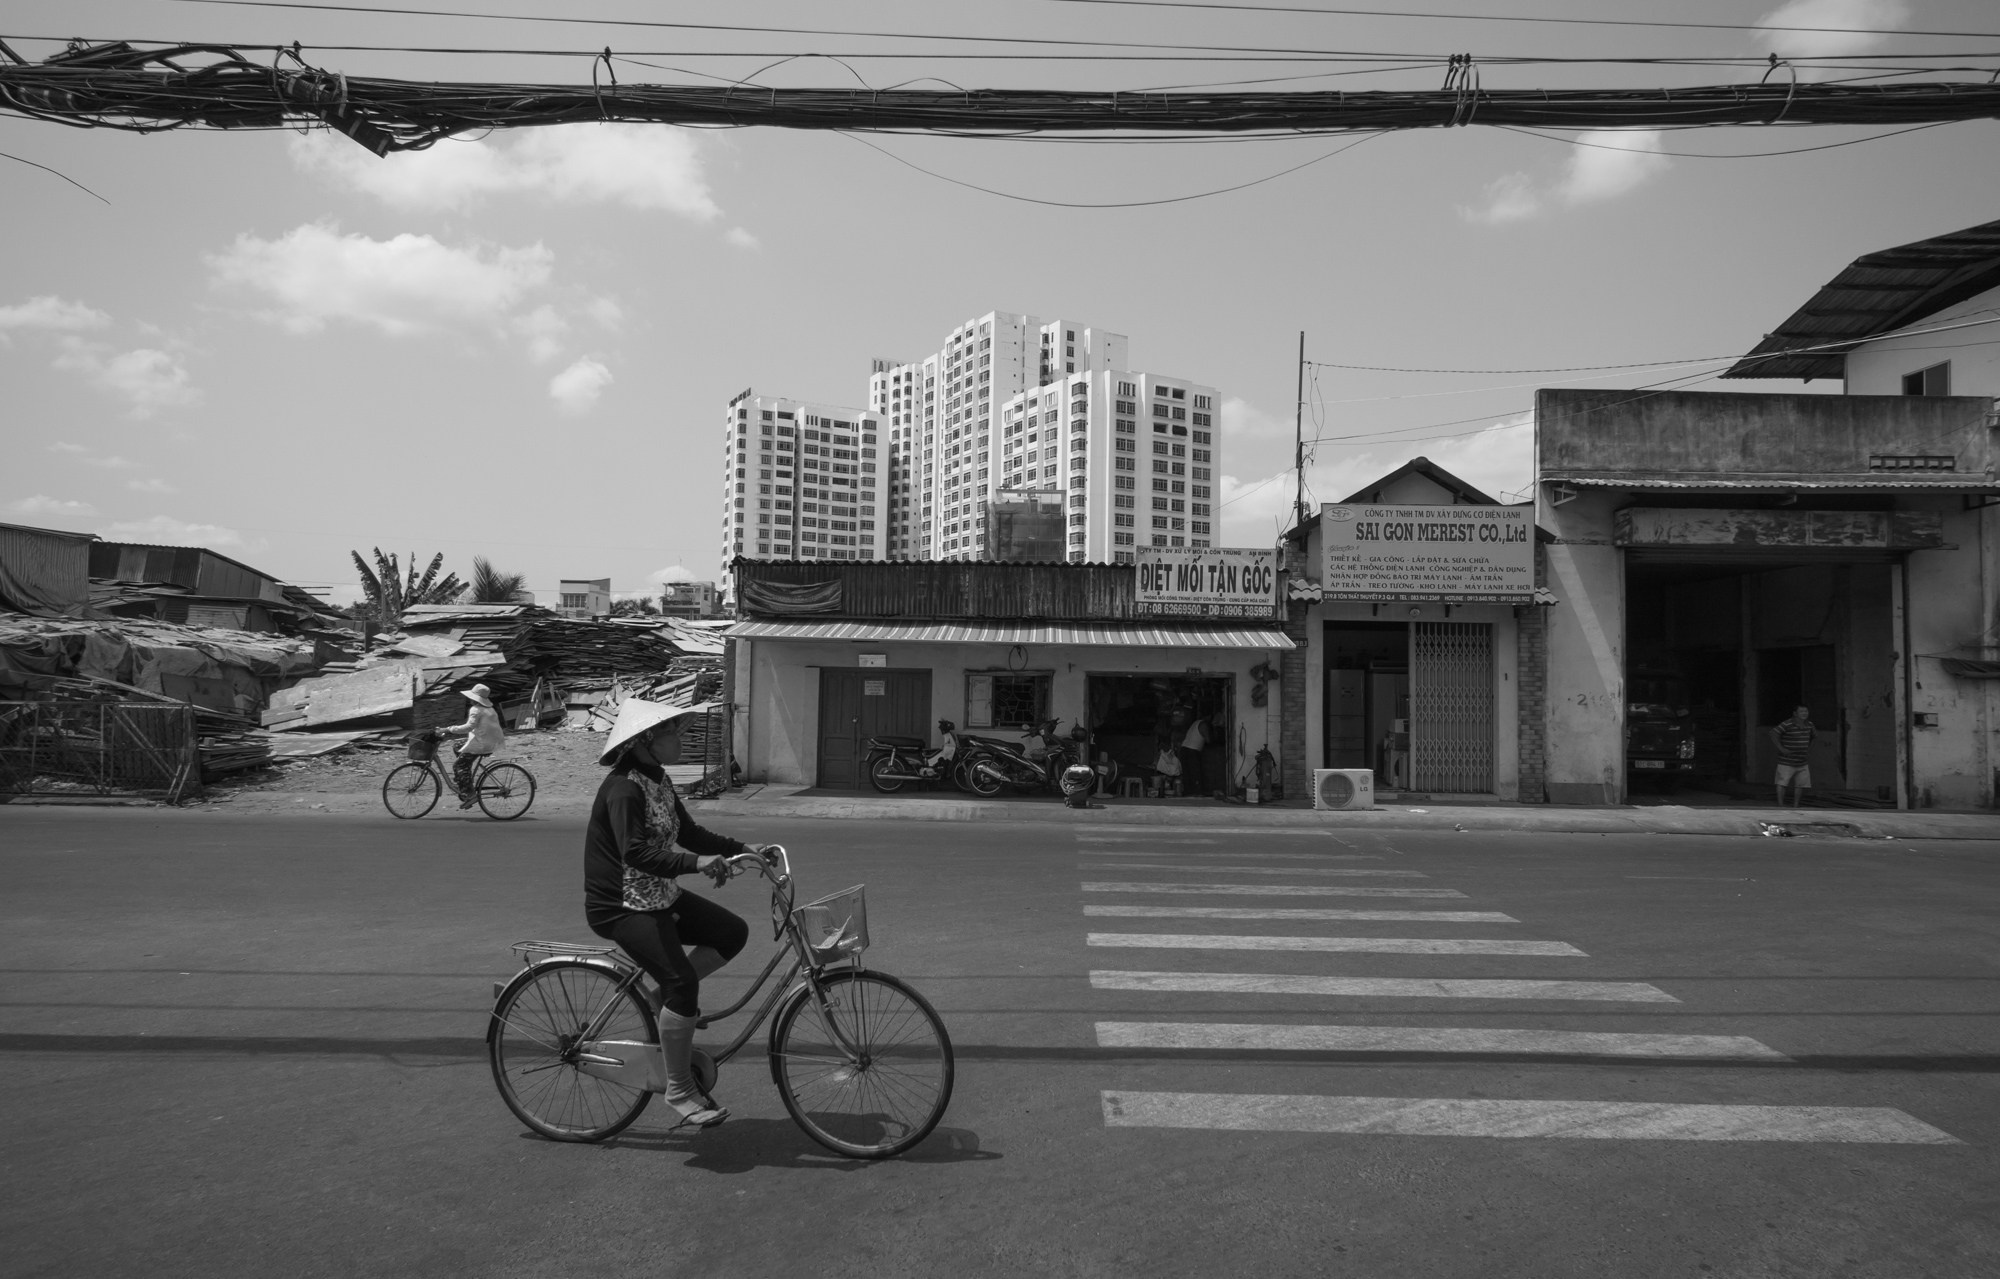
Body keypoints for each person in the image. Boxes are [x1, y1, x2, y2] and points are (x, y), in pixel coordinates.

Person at [584, 698, 767, 1130]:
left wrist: (741, 849)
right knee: (682, 983)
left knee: (731, 932)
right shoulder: (623, 788)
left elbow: (689, 833)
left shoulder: (659, 779)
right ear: (646, 740)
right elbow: (634, 852)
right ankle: (680, 1089)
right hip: (620, 904)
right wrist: (695, 864)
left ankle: (665, 1001)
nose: (680, 739)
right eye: (672, 733)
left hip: (658, 894)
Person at [438, 683, 505, 808]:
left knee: (458, 765)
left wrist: (448, 729)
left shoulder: (476, 709)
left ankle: (470, 794)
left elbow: (468, 727)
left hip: (481, 744)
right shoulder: (490, 709)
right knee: (457, 746)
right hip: (490, 742)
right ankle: (464, 777)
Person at [1770, 705, 1816, 807]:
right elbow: (1773, 733)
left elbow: (1814, 737)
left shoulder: (1810, 725)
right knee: (1782, 782)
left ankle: (1796, 805)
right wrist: (1781, 748)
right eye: (1801, 711)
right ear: (1795, 713)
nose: (1804, 713)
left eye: (1806, 711)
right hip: (1786, 760)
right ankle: (1780, 805)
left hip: (1802, 761)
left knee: (1800, 784)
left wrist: (1808, 750)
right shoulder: (1787, 724)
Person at [1177, 710, 1208, 798]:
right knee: (1195, 773)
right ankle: (1197, 792)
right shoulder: (1204, 724)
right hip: (1192, 751)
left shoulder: (1195, 723)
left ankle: (1188, 793)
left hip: (1184, 749)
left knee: (1187, 773)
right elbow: (1209, 740)